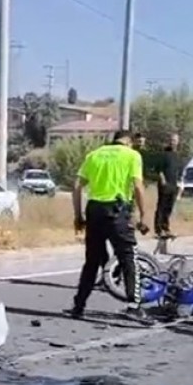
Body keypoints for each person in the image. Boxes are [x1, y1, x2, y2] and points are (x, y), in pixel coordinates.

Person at [67, 129, 147, 321]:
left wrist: (78, 215)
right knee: (129, 256)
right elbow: (137, 186)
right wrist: (143, 215)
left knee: (92, 260)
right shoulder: (132, 155)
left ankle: (79, 306)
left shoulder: (94, 155)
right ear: (128, 141)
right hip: (117, 210)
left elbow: (77, 186)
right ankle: (134, 306)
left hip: (94, 210)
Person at [153, 132, 181, 238]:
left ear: (178, 142)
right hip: (165, 185)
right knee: (161, 206)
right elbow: (159, 169)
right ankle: (158, 229)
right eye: (171, 140)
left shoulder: (177, 155)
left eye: (174, 140)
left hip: (173, 185)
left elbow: (178, 171)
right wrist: (163, 180)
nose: (172, 142)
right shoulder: (164, 154)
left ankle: (166, 227)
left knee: (169, 207)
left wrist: (179, 185)